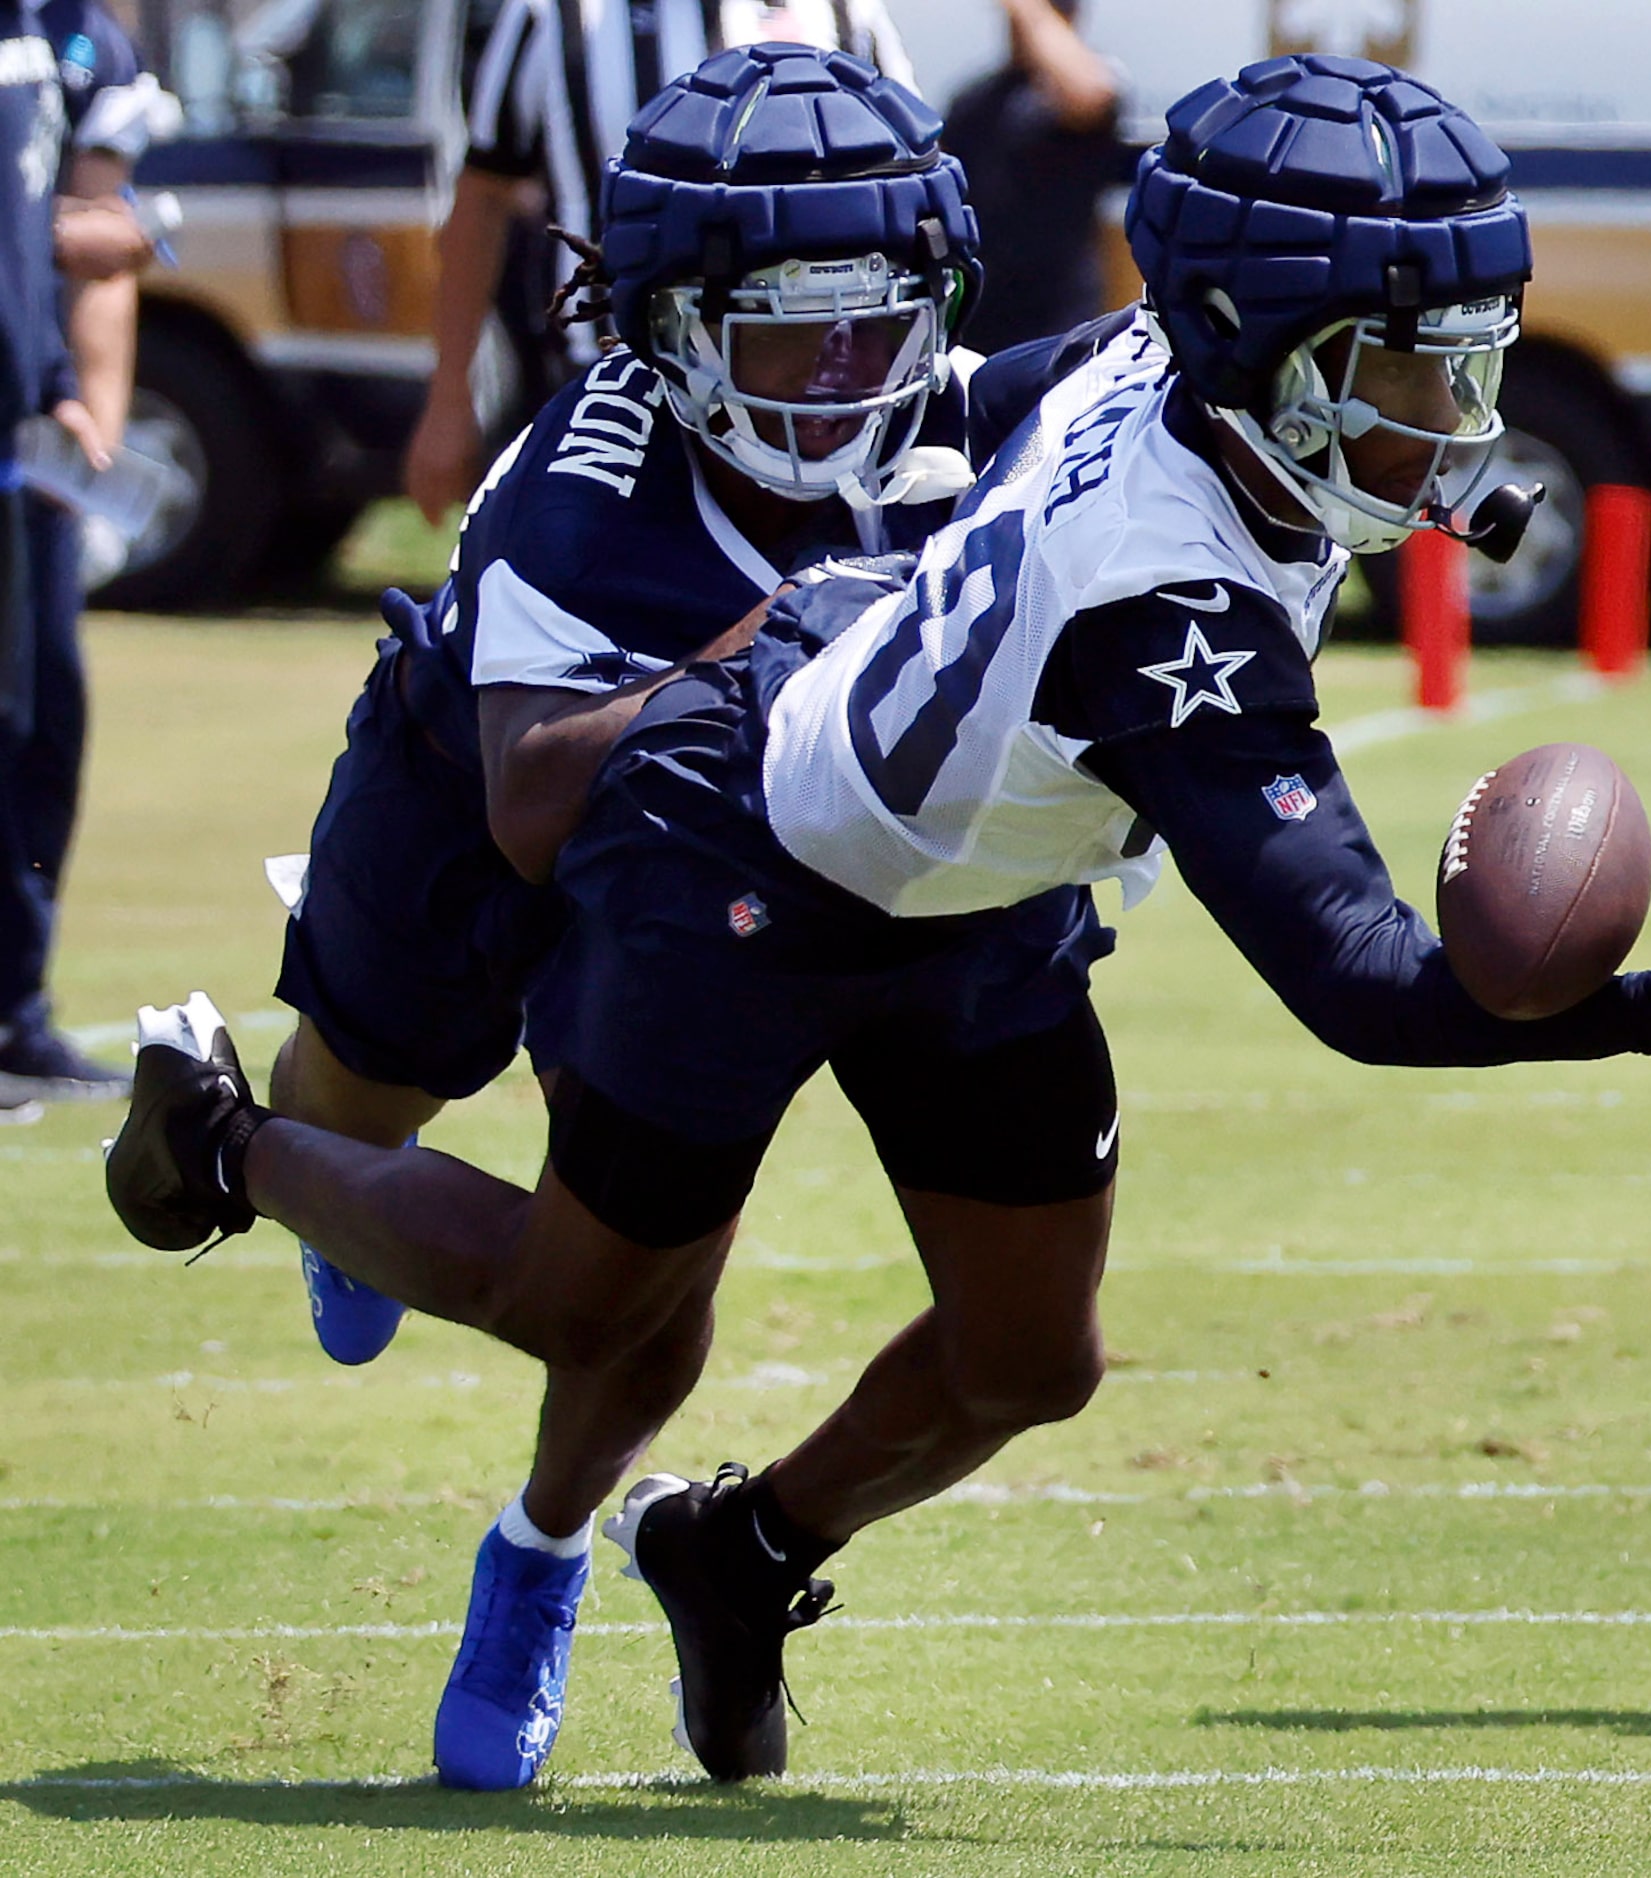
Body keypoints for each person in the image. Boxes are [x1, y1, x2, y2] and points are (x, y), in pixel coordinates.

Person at [107, 56, 1651, 1783]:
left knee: (1029, 1355)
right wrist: (1646, 1003)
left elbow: (1112, 409)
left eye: (1464, 362)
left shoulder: (1164, 352)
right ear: (1266, 355)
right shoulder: (1157, 600)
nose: (1447, 414)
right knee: (577, 1304)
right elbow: (1362, 981)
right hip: (740, 855)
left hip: (971, 872)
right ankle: (229, 1143)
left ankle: (738, 1552)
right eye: (1404, 367)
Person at [198, 44, 978, 1787]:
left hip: (698, 861)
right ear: (674, 325)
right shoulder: (587, 480)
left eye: (882, 314)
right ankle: (338, 1186)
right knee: (351, 1099)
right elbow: (536, 802)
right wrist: (785, 625)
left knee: (648, 1267)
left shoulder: (932, 407)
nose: (851, 368)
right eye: (793, 324)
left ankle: (539, 1549)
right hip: (475, 806)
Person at [406, 0, 915, 525]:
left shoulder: (842, 11)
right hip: (612, 405)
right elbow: (484, 192)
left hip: (815, 406)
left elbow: (916, 185)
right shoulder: (554, 13)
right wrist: (449, 396)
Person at [0, 0, 144, 1107]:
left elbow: (87, 232)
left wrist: (63, 385)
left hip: (26, 430)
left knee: (42, 720)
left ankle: (16, 1011)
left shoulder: (66, 31)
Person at [941, 0, 1127, 355]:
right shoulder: (975, 100)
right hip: (980, 320)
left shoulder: (1083, 86)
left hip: (1059, 323)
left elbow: (1090, 95)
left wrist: (1031, 9)